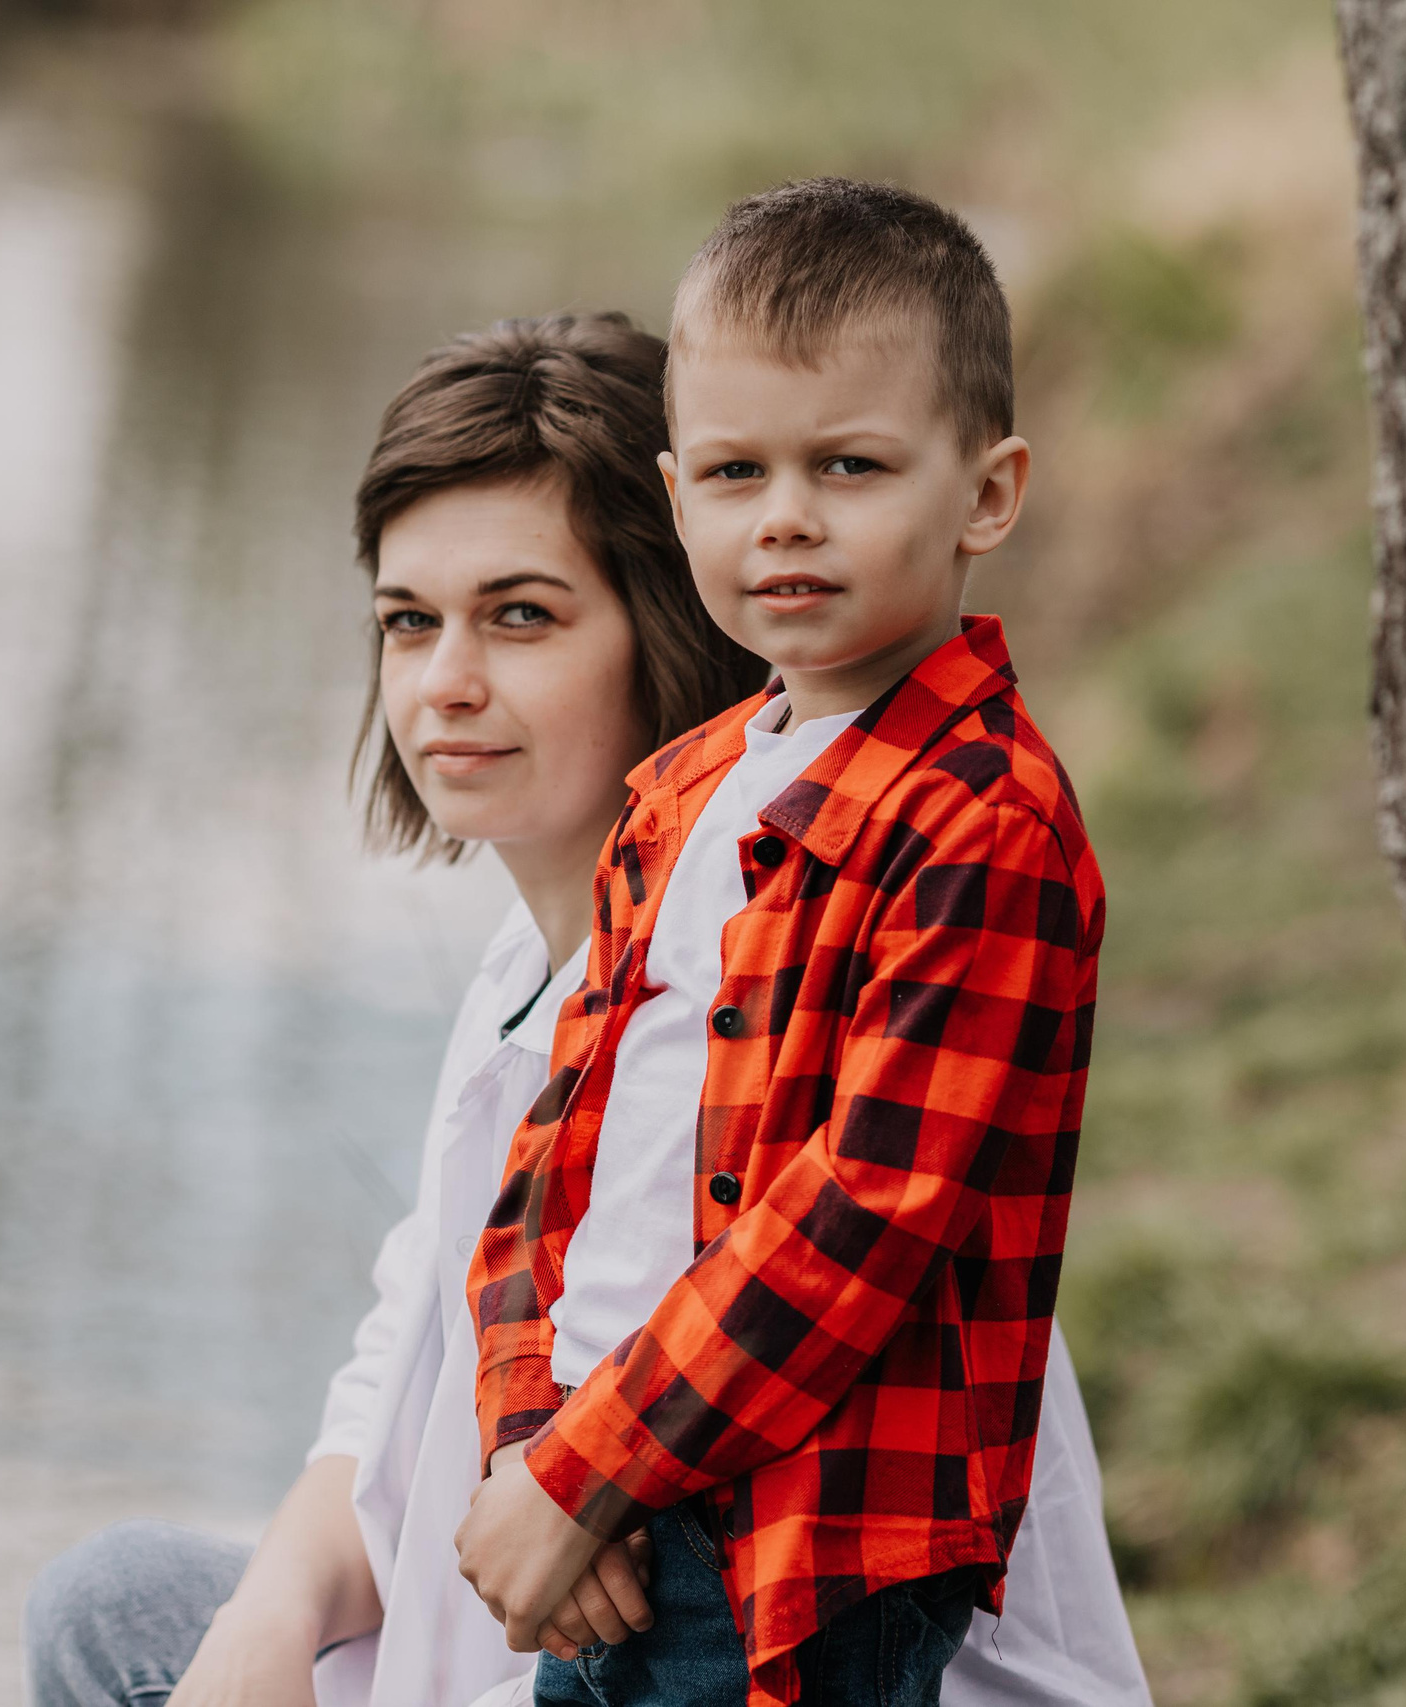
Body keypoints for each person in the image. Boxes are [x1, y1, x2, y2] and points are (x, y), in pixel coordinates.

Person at [24, 311, 1146, 1707]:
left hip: (798, 1667)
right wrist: (271, 1613)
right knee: (122, 1607)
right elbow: (405, 1361)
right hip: (542, 1630)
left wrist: (567, 1476)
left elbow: (753, 1457)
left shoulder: (779, 1008)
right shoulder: (527, 975)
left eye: (521, 616)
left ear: (670, 617)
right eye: (408, 623)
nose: (446, 684)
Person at [456, 182, 1108, 1707]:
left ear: (987, 494)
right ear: (678, 497)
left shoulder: (979, 822)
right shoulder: (679, 792)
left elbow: (864, 1217)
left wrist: (584, 1469)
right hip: (606, 1493)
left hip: (803, 1548)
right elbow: (561, 1139)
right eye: (739, 471)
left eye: (852, 466)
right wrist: (527, 1439)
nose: (787, 517)